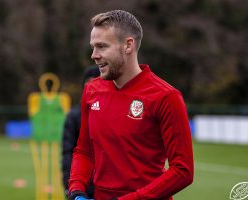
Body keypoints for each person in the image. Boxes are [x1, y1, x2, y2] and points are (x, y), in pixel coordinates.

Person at [68, 10, 194, 200]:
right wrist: (77, 190)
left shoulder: (166, 97)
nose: (94, 55)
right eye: (93, 47)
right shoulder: (91, 90)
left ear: (128, 45)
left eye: (101, 46)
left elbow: (182, 171)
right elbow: (84, 150)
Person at [62, 66, 100, 198]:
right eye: (89, 83)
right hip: (82, 184)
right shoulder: (74, 116)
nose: (93, 87)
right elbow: (68, 151)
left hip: (106, 184)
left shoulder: (112, 111)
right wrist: (68, 184)